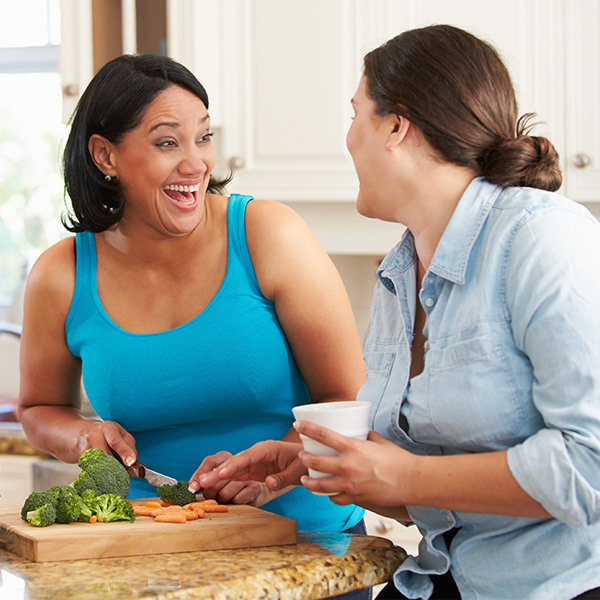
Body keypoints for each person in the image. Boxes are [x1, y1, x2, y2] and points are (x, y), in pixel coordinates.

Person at [196, 24, 600, 600]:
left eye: (355, 114)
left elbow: (590, 465)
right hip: (443, 576)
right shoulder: (399, 272)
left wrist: (406, 475)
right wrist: (324, 466)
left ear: (396, 126)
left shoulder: (543, 238)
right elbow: (436, 500)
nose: (348, 138)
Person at [17, 53, 369, 577]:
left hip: (308, 550)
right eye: (166, 142)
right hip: (148, 553)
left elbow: (348, 401)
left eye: (203, 137)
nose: (196, 163)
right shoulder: (61, 275)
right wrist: (81, 437)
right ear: (104, 155)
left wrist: (278, 465)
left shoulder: (268, 235)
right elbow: (39, 407)